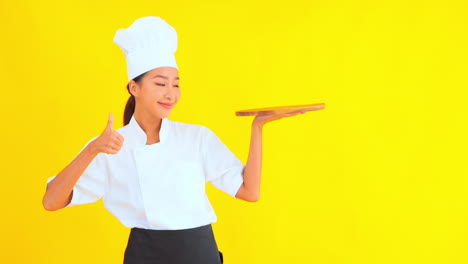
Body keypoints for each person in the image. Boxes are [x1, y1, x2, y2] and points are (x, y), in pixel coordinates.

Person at [42, 16, 304, 264]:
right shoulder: (111, 145)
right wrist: (91, 150)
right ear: (135, 88)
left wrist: (257, 127)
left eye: (175, 84)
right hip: (145, 255)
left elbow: (249, 192)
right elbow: (51, 202)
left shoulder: (196, 137)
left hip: (199, 253)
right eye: (160, 83)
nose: (170, 93)